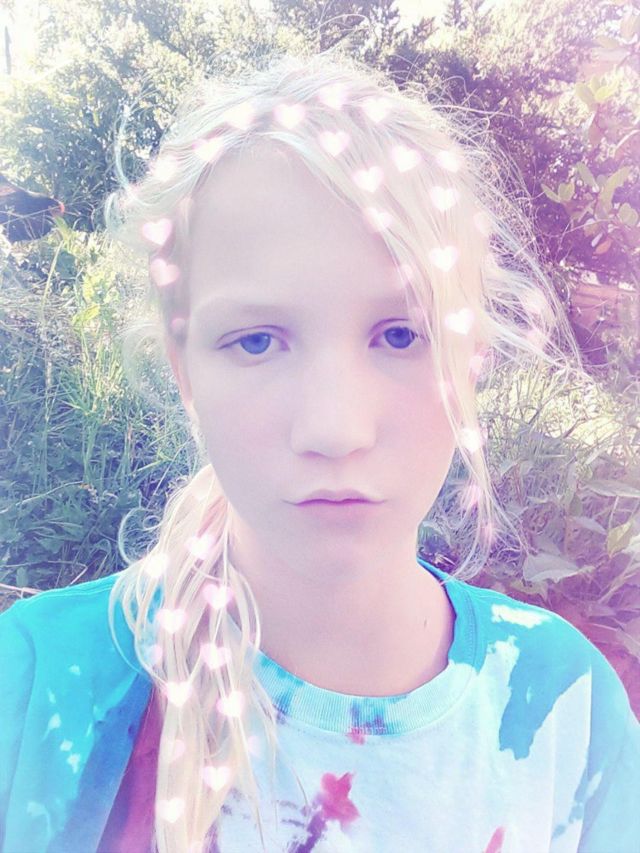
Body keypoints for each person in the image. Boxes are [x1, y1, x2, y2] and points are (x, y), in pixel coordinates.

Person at [1, 47, 638, 853]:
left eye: (400, 334)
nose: (336, 428)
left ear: (471, 360)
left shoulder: (567, 712)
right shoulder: (37, 684)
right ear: (182, 368)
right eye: (257, 340)